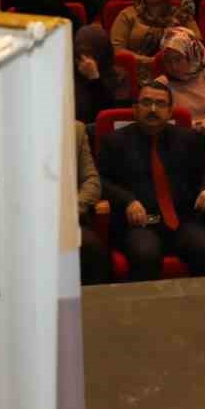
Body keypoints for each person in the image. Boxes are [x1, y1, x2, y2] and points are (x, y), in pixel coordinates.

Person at [96, 78, 205, 280]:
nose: (153, 109)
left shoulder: (189, 139)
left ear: (170, 111)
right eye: (146, 103)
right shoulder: (115, 141)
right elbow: (100, 180)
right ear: (135, 109)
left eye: (160, 104)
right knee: (146, 254)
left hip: (183, 221)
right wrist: (127, 200)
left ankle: (203, 310)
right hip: (139, 224)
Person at [111, 0, 200, 75]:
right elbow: (117, 50)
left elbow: (197, 46)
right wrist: (151, 62)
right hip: (136, 74)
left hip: (177, 74)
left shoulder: (182, 16)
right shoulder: (127, 15)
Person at [76, 122, 111, 287]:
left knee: (94, 250)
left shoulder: (75, 129)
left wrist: (73, 209)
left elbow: (91, 180)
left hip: (68, 217)